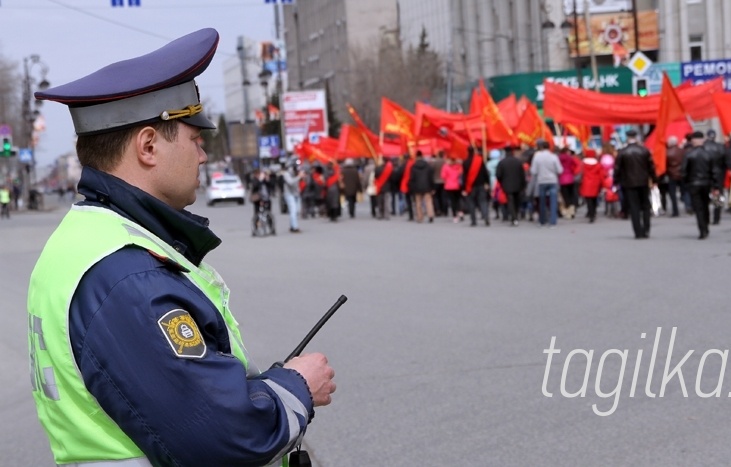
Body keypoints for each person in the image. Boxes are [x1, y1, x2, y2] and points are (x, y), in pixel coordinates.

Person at [27, 29, 335, 466]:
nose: (204, 155)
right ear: (149, 145)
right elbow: (222, 438)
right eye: (194, 139)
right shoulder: (126, 275)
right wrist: (296, 386)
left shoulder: (84, 237)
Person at [615, 129, 657, 239]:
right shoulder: (644, 150)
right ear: (636, 136)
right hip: (643, 182)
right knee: (646, 206)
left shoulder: (622, 152)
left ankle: (637, 231)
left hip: (628, 183)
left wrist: (616, 181)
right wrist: (654, 180)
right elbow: (651, 167)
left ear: (627, 137)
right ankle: (646, 229)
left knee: (634, 208)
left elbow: (617, 169)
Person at [681, 131, 720, 239]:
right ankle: (706, 225)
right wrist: (716, 186)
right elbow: (714, 171)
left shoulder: (689, 154)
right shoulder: (709, 154)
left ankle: (702, 229)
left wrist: (685, 184)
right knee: (705, 205)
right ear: (703, 140)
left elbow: (684, 171)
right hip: (706, 183)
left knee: (698, 208)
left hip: (693, 183)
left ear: (693, 140)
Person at [530, 139, 563, 227]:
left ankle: (542, 221)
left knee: (542, 202)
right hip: (552, 181)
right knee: (553, 201)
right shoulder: (553, 157)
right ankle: (553, 221)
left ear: (541, 147)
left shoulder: (537, 157)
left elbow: (533, 171)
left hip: (542, 181)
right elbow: (560, 170)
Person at [495, 145, 527, 226]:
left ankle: (514, 217)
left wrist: (501, 182)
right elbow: (522, 174)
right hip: (518, 184)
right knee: (516, 201)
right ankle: (515, 214)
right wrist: (523, 184)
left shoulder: (502, 162)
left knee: (510, 201)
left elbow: (498, 175)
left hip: (507, 185)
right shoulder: (518, 161)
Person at [462, 146, 491, 226]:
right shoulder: (480, 160)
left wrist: (463, 188)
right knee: (483, 201)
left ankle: (473, 221)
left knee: (471, 203)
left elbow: (464, 176)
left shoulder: (465, 162)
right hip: (481, 184)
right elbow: (485, 173)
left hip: (470, 186)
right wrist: (487, 183)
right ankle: (486, 217)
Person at [703, 129, 727, 225]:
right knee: (718, 197)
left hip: (706, 174)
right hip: (719, 174)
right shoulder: (720, 147)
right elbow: (725, 162)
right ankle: (717, 217)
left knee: (705, 197)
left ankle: (706, 218)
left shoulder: (703, 147)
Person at [579, 149, 606, 223]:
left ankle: (590, 213)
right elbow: (601, 175)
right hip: (595, 183)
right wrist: (603, 185)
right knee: (594, 199)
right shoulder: (598, 164)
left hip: (586, 183)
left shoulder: (583, 164)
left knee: (588, 200)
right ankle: (593, 213)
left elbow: (578, 172)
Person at [408, 151, 435, 223]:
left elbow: (412, 178)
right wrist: (432, 187)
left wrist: (412, 187)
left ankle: (420, 217)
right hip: (427, 186)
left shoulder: (413, 167)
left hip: (417, 187)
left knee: (418, 203)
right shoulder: (428, 166)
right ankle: (430, 215)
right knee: (428, 202)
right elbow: (431, 177)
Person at [665, 136, 685, 217]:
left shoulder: (667, 152)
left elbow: (666, 165)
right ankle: (689, 206)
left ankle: (675, 210)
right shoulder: (682, 151)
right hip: (681, 174)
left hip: (672, 175)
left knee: (672, 194)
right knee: (684, 192)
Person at [283, 161, 305, 233]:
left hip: (296, 194)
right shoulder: (286, 174)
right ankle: (295, 227)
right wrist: (299, 177)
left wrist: (302, 177)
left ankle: (292, 225)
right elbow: (291, 182)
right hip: (289, 194)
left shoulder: (298, 173)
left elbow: (301, 182)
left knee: (297, 211)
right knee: (293, 210)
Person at [441, 155, 464, 222]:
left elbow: (443, 176)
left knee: (452, 201)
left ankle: (455, 216)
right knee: (458, 199)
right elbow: (461, 174)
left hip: (449, 186)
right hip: (458, 185)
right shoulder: (459, 166)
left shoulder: (445, 166)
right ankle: (460, 212)